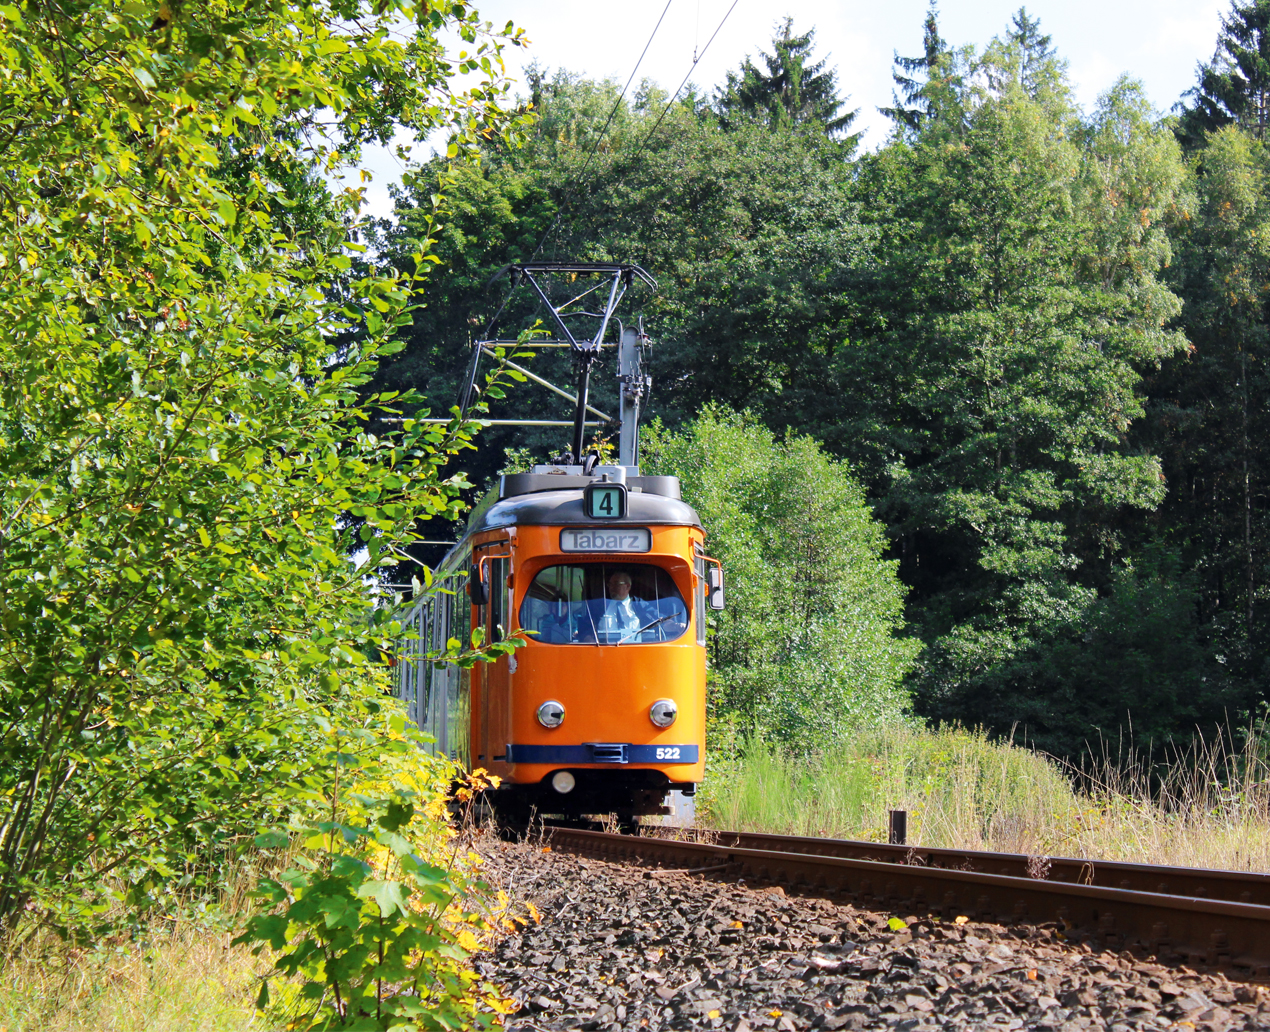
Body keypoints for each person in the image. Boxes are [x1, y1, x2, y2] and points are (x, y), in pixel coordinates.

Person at [594, 570, 648, 641]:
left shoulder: (639, 605)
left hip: (635, 649)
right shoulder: (600, 606)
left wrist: (666, 625)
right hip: (606, 649)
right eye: (610, 584)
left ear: (627, 586)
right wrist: (588, 637)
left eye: (616, 584)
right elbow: (586, 628)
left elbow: (658, 622)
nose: (611, 588)